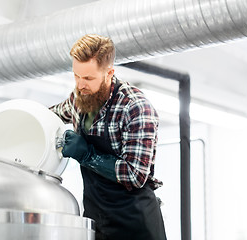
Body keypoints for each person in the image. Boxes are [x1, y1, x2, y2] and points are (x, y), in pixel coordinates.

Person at [50, 34, 166, 240]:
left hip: (135, 223)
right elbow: (51, 115)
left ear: (109, 73)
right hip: (97, 219)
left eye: (88, 78)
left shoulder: (135, 107)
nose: (80, 85)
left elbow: (135, 175)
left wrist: (87, 155)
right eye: (76, 76)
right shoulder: (79, 98)